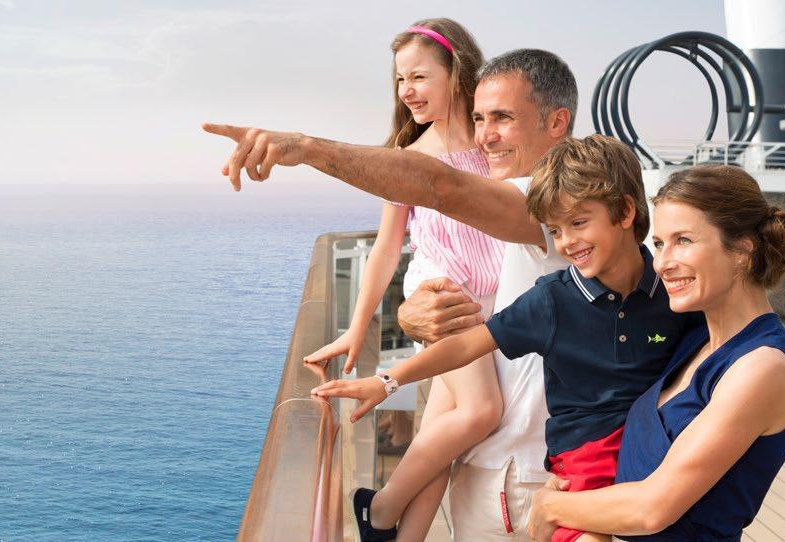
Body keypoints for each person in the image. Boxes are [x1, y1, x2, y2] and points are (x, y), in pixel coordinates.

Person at [204, 49, 577, 540]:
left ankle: (378, 512)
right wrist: (403, 332)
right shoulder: (526, 193)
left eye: (503, 118)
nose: (486, 134)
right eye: (480, 118)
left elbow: (439, 187)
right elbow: (489, 315)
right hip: (494, 467)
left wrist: (307, 148)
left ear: (557, 122)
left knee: (460, 417)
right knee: (445, 427)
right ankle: (383, 520)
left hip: (519, 479)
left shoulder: (555, 204)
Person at [310, 135, 704, 542]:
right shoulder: (552, 300)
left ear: (625, 211)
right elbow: (468, 345)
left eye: (578, 223)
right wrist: (387, 382)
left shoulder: (672, 290)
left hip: (651, 457)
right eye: (555, 229)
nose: (567, 242)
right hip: (585, 467)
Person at [524, 165, 785, 541]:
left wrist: (550, 506)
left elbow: (651, 509)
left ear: (742, 248)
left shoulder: (762, 367)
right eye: (659, 244)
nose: (662, 263)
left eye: (683, 240)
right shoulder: (694, 341)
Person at [300, 19, 503, 542]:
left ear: (456, 72)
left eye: (417, 76)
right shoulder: (407, 159)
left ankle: (394, 532)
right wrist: (356, 327)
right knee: (481, 411)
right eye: (398, 79)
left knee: (440, 437)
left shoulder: (495, 145)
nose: (405, 90)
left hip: (490, 301)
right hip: (443, 298)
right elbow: (387, 248)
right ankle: (381, 508)